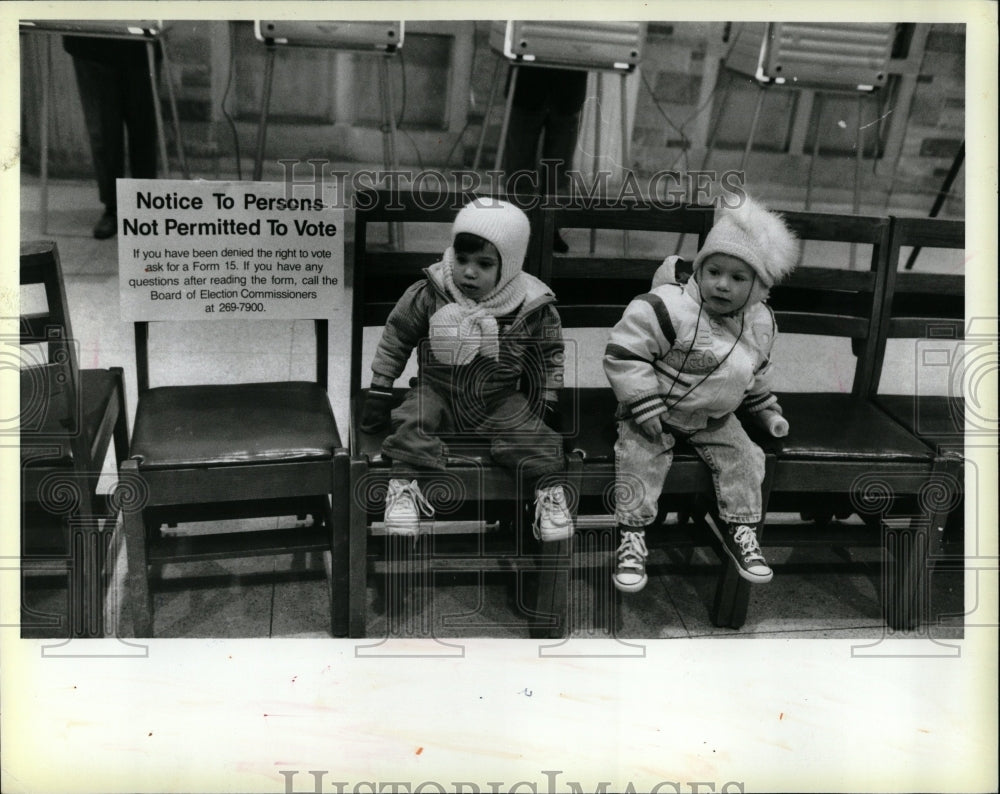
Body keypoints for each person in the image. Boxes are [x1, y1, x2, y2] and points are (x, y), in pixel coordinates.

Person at [603, 196, 799, 592]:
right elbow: (625, 352)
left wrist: (766, 410)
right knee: (641, 457)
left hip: (715, 417)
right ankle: (632, 535)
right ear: (699, 269)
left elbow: (757, 370)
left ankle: (742, 530)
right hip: (654, 410)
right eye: (713, 271)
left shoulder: (760, 322)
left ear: (760, 287)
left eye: (738, 278)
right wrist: (642, 401)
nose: (722, 284)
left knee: (746, 457)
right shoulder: (667, 308)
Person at [359, 198, 573, 542]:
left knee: (531, 433)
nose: (468, 271)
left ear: (510, 266)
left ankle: (548, 493)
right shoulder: (433, 292)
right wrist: (381, 385)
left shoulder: (531, 305)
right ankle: (402, 486)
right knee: (413, 418)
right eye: (461, 259)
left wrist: (547, 395)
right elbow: (396, 336)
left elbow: (551, 353)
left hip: (498, 397)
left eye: (484, 263)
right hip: (436, 389)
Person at [63, 35, 160, 239]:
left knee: (143, 127)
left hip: (138, 44)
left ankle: (145, 204)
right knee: (104, 132)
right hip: (91, 44)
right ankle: (113, 208)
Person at [503, 66, 589, 253]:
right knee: (519, 166)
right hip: (527, 84)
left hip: (568, 89)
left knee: (558, 170)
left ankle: (548, 229)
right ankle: (517, 227)